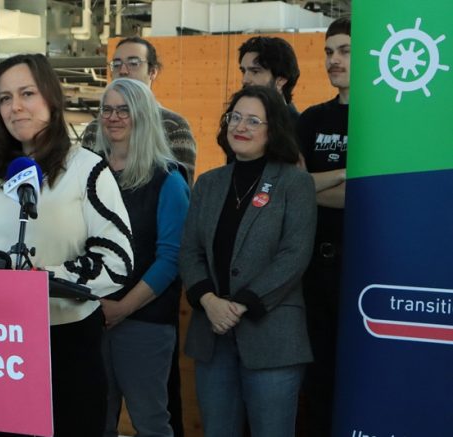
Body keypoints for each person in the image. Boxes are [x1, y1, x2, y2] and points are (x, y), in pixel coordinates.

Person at [0, 54, 133, 437]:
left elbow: (118, 259)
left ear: (51, 99)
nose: (16, 106)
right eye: (5, 98)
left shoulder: (86, 168)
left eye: (27, 93)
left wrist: (47, 278)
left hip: (67, 343)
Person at [179, 85, 316, 437]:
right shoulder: (209, 183)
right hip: (213, 334)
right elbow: (190, 251)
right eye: (235, 117)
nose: (241, 126)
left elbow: (294, 255)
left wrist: (239, 305)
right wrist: (208, 301)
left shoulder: (294, 183)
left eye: (254, 120)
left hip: (271, 337)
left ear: (274, 130)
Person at [82, 36, 195, 436]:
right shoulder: (89, 174)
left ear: (143, 115)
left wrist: (123, 307)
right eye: (107, 110)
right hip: (89, 317)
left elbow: (170, 258)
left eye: (124, 110)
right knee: (95, 419)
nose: (113, 118)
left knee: (150, 421)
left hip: (144, 322)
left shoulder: (169, 180)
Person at [296, 16, 350, 437]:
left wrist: (311, 185)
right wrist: (346, 174)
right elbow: (288, 189)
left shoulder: (385, 119)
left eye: (344, 51)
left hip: (364, 271)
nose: (334, 60)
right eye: (329, 52)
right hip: (313, 270)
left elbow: (372, 195)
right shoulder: (312, 119)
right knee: (315, 383)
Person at [82, 36, 196, 184]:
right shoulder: (95, 128)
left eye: (134, 63)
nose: (123, 70)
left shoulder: (173, 126)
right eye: (116, 64)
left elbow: (182, 189)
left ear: (152, 72)